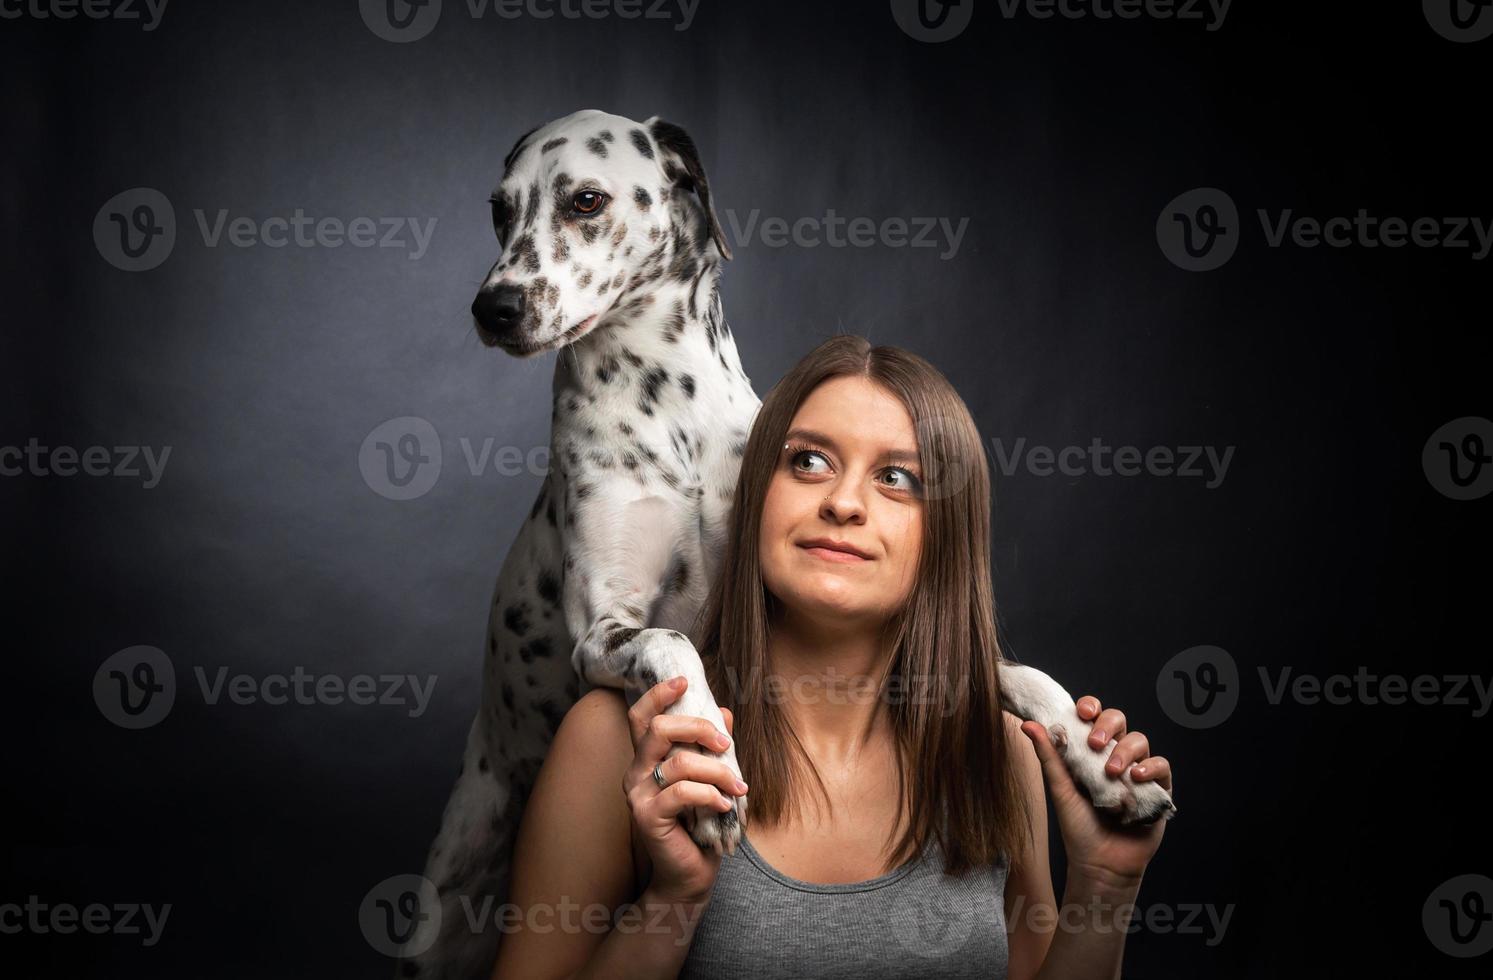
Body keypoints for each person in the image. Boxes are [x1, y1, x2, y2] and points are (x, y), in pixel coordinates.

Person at [490, 334, 1175, 979]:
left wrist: (1104, 888)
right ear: (756, 493)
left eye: (897, 477)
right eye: (808, 461)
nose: (843, 502)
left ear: (947, 532)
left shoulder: (1001, 747)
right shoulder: (621, 739)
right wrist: (673, 901)